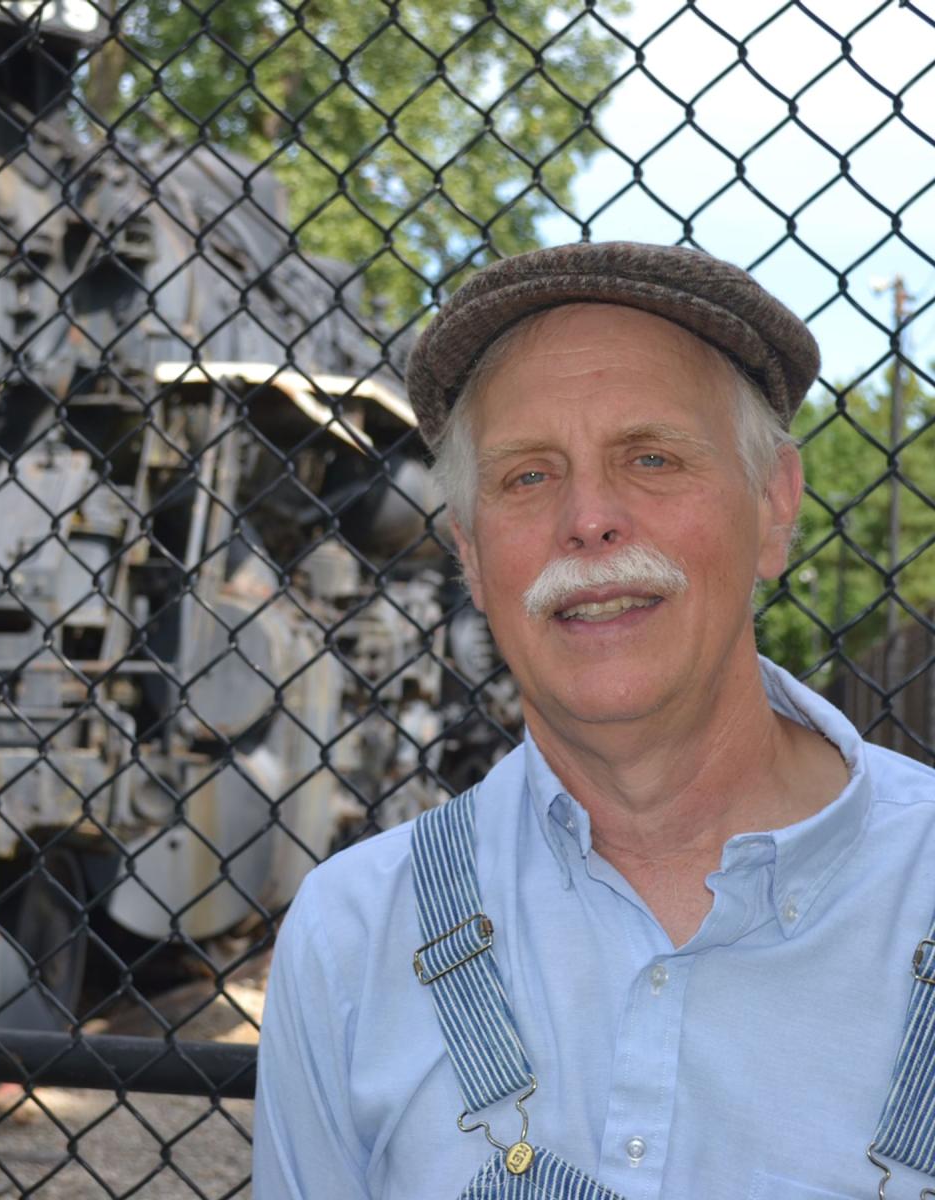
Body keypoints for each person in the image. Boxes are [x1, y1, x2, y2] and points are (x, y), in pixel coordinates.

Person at [251, 242, 935, 1199]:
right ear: (473, 557)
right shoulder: (356, 933)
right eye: (527, 477)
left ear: (775, 507)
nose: (590, 518)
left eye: (651, 458)